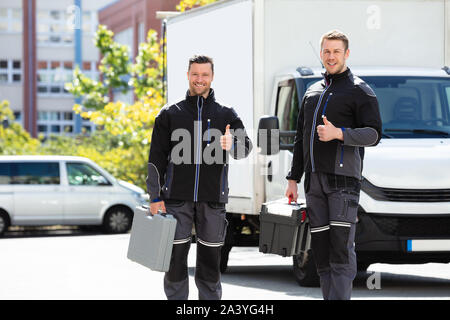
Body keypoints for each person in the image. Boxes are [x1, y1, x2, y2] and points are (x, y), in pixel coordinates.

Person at [285, 30, 382, 300]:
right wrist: (293, 178)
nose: (331, 56)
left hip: (344, 184)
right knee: (322, 253)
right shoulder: (312, 93)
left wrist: (340, 133)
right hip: (314, 183)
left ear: (346, 54)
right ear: (321, 53)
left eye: (336, 51)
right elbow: (301, 139)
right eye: (326, 51)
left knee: (340, 251)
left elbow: (374, 134)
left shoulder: (360, 90)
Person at [146, 55, 252, 300]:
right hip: (176, 200)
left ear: (212, 77)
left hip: (213, 199)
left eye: (205, 75)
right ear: (187, 75)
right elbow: (155, 159)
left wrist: (232, 144)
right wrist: (154, 196)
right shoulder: (170, 113)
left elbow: (246, 147)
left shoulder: (226, 114)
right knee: (174, 263)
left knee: (210, 264)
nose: (200, 79)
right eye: (195, 74)